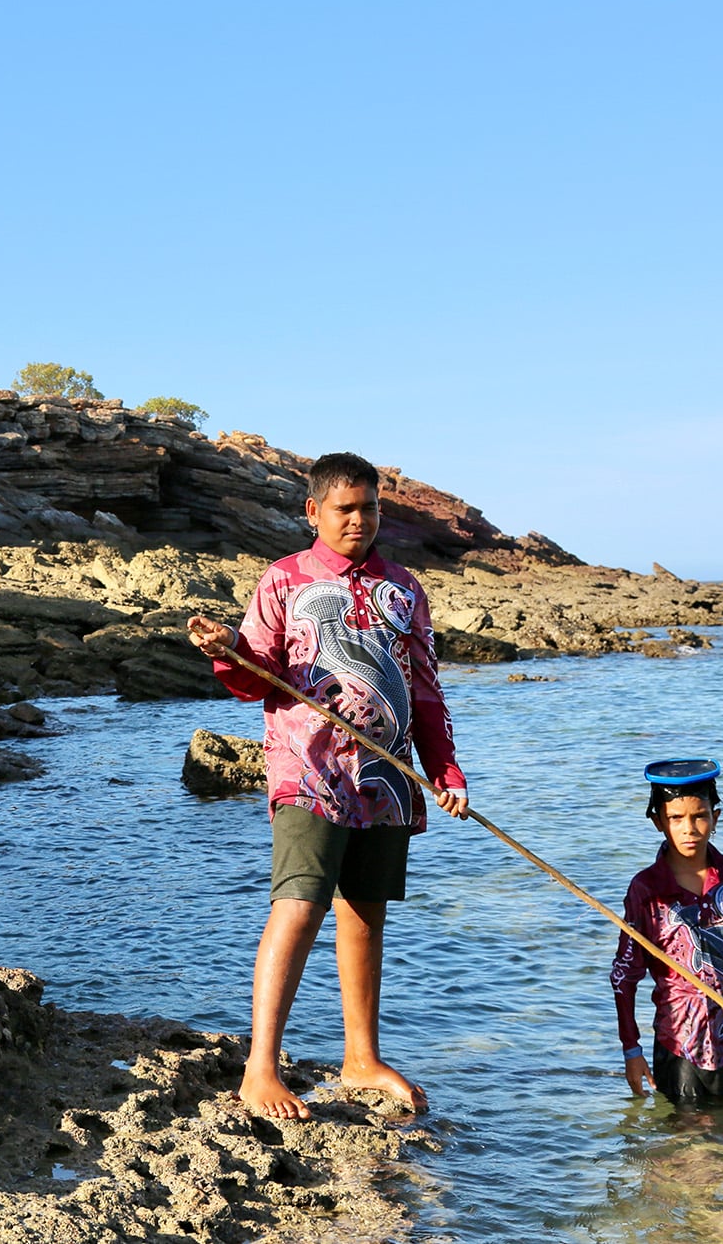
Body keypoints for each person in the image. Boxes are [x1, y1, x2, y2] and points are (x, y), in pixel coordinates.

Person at [187, 451, 468, 1120]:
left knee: (366, 913)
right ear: (313, 511)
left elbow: (425, 688)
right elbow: (256, 674)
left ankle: (361, 1058)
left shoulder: (405, 588)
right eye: (345, 508)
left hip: (389, 778)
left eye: (369, 507)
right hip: (308, 773)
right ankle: (261, 1067)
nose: (359, 519)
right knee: (299, 905)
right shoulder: (284, 580)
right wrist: (227, 647)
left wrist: (445, 769)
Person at [612, 759, 723, 1103]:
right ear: (658, 821)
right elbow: (623, 977)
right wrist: (632, 1052)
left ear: (715, 818)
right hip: (680, 1048)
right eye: (676, 818)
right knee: (686, 1147)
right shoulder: (647, 890)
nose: (689, 829)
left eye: (700, 816)